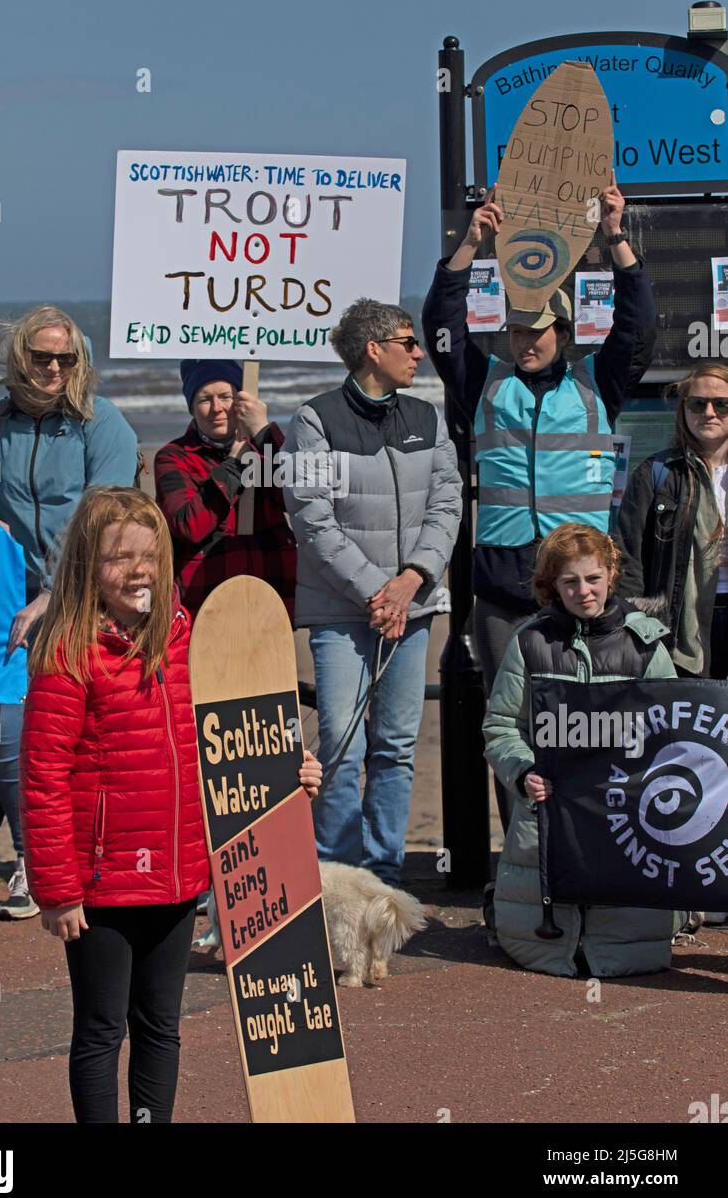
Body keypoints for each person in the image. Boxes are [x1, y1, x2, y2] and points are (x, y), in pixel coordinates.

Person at [19, 487, 322, 1123]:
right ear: (85, 567)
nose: (138, 572)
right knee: (103, 1029)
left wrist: (287, 776)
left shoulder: (189, 640)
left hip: (181, 876)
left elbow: (231, 742)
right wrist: (58, 889)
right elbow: (43, 774)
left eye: (149, 557)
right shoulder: (69, 652)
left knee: (161, 1026)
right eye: (118, 558)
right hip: (101, 885)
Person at [422, 176, 656, 825]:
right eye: (520, 330)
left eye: (541, 329)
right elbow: (441, 325)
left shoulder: (596, 382)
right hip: (502, 592)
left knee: (591, 723)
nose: (529, 340)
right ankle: (521, 863)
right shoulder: (481, 381)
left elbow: (637, 332)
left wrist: (615, 240)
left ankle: (592, 846)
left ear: (562, 329)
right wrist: (471, 246)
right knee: (512, 728)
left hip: (580, 587)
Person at [282, 299, 462, 885]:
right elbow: (310, 518)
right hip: (341, 615)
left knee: (396, 747)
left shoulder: (427, 417)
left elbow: (448, 501)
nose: (418, 353)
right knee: (340, 745)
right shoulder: (312, 420)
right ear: (373, 350)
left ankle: (383, 873)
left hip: (412, 609)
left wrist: (411, 582)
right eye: (408, 342)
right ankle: (336, 873)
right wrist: (374, 592)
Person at [0, 306, 139, 920]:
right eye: (41, 356)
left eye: (65, 358)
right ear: (20, 357)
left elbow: (101, 522)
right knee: (12, 736)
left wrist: (55, 594)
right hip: (10, 602)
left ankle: (108, 860)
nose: (52, 368)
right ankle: (30, 862)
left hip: (88, 600)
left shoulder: (104, 425)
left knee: (84, 739)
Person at [483, 523, 676, 977]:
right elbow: (501, 726)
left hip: (626, 807)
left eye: (592, 578)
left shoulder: (645, 644)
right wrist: (523, 770)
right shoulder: (530, 642)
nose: (583, 591)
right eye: (570, 581)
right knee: (532, 943)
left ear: (611, 574)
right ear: (552, 585)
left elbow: (673, 731)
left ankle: (619, 938)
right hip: (550, 807)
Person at [153, 360, 296, 620]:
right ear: (192, 407)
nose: (216, 408)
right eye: (205, 399)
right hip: (205, 598)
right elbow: (190, 526)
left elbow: (297, 496)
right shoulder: (173, 457)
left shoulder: (267, 449)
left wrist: (263, 433)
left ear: (241, 401)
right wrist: (234, 466)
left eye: (225, 397)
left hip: (270, 591)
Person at [617, 364, 728, 680]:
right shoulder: (657, 472)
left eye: (721, 403)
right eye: (697, 403)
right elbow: (627, 558)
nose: (709, 412)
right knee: (691, 726)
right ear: (684, 409)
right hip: (679, 630)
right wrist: (640, 629)